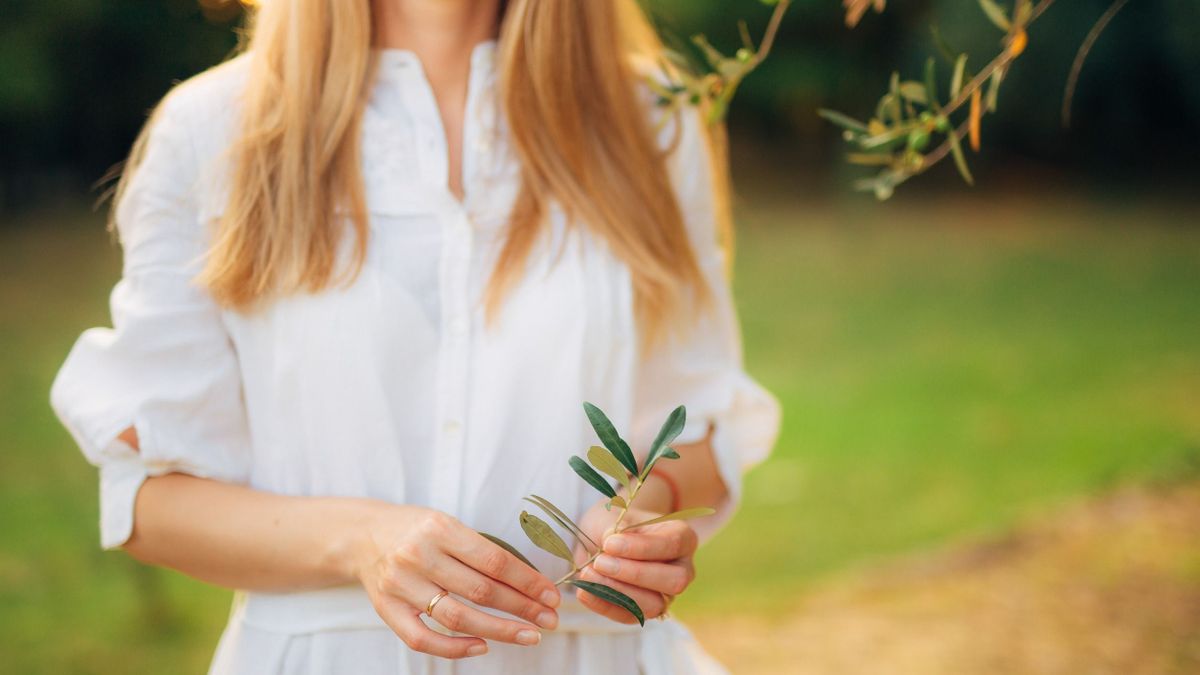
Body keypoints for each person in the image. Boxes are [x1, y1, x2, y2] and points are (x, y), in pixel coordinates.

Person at [48, 0, 781, 672]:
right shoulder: (213, 129)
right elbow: (146, 501)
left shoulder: (652, 118)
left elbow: (703, 421)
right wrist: (363, 538)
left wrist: (638, 509)